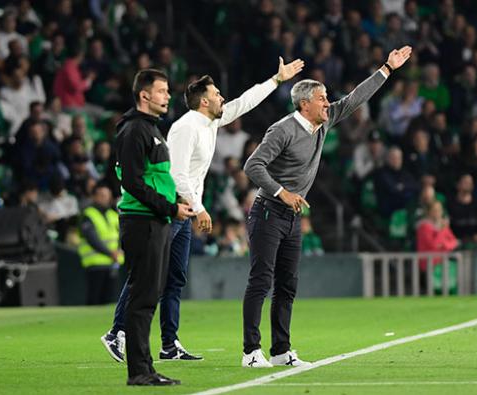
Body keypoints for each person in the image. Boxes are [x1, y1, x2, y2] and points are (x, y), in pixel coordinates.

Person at [103, 56, 304, 362]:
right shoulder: (186, 128)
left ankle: (169, 343)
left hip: (184, 212)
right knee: (148, 276)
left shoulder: (210, 121)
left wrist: (276, 80)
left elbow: (244, 102)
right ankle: (118, 332)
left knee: (174, 279)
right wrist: (199, 208)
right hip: (172, 209)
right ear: (204, 101)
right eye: (217, 94)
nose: (223, 98)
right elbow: (176, 174)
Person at [241, 45, 412, 368]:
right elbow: (252, 166)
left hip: (291, 217)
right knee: (261, 281)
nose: (328, 102)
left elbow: (355, 99)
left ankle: (280, 351)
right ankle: (251, 351)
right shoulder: (283, 129)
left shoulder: (324, 122)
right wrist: (282, 193)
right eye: (322, 98)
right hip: (267, 212)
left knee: (287, 284)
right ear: (305, 104)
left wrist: (387, 69)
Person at [100, 69, 194, 386]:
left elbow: (155, 178)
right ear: (144, 95)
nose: (167, 96)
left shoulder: (150, 129)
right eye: (162, 91)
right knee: (143, 296)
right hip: (142, 221)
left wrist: (174, 200)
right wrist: (170, 207)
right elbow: (132, 181)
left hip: (156, 220)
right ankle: (139, 371)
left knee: (149, 295)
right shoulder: (134, 130)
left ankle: (146, 367)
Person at [78, 184, 123, 305]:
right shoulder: (88, 214)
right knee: (94, 299)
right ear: (95, 197)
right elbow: (92, 239)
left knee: (109, 301)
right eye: (102, 195)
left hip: (113, 263)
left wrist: (118, 251)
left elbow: (121, 235)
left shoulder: (113, 214)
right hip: (95, 263)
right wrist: (110, 253)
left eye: (108, 196)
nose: (106, 199)